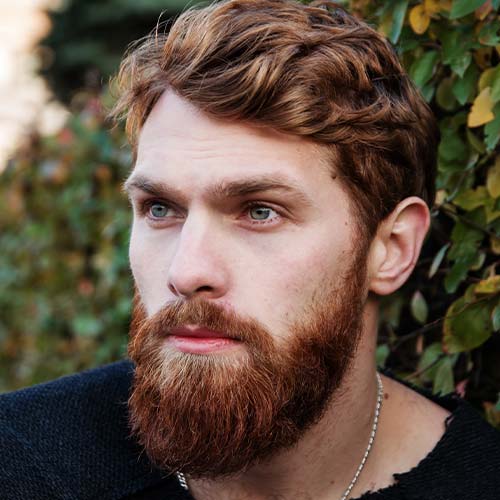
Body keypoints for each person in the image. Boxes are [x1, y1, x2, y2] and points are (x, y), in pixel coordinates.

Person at [1, 0, 500, 499]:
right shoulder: (22, 464)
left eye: (260, 211)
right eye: (159, 208)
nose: (186, 272)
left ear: (392, 248)